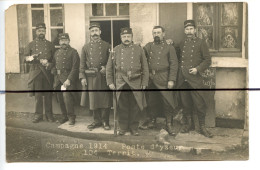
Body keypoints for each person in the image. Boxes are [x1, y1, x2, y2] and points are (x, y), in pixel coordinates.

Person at [106, 27, 149, 136]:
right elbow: (109, 68)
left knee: (135, 106)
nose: (126, 38)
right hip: (121, 82)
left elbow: (145, 67)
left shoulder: (139, 49)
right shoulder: (115, 50)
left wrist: (144, 82)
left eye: (128, 36)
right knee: (122, 106)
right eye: (124, 36)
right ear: (121, 37)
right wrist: (110, 82)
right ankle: (123, 127)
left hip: (135, 82)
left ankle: (134, 128)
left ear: (132, 37)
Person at [177, 20, 213, 138]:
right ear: (184, 31)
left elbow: (207, 60)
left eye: (191, 29)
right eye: (187, 29)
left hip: (195, 78)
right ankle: (189, 124)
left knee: (199, 103)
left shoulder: (201, 42)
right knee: (186, 103)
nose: (189, 31)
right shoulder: (182, 43)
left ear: (195, 30)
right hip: (183, 79)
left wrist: (197, 69)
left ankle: (202, 127)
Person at [144, 26, 179, 136]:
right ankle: (152, 121)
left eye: (159, 32)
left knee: (167, 102)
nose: (156, 35)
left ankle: (168, 124)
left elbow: (174, 64)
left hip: (164, 77)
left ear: (164, 34)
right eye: (154, 33)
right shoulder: (148, 46)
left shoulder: (169, 48)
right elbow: (140, 56)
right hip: (151, 77)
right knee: (152, 101)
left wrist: (171, 79)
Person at [80, 22, 112, 130]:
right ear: (90, 33)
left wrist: (106, 69)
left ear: (100, 32)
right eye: (92, 31)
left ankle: (105, 122)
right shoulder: (85, 47)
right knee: (93, 99)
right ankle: (96, 121)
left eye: (96, 31)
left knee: (104, 99)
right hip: (91, 76)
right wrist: (83, 77)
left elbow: (111, 62)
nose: (94, 33)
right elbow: (82, 64)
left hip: (103, 76)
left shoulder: (107, 45)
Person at [24, 23, 56, 123]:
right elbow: (25, 59)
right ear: (36, 32)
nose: (41, 32)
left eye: (43, 30)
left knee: (48, 95)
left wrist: (48, 64)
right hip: (36, 73)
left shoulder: (50, 44)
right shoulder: (31, 44)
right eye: (39, 31)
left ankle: (49, 115)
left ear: (45, 32)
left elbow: (55, 60)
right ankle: (38, 115)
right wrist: (33, 57)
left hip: (47, 73)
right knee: (38, 96)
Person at [52, 33, 80, 125]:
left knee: (67, 98)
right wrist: (51, 69)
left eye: (65, 40)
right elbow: (54, 65)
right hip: (58, 79)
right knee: (60, 99)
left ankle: (71, 117)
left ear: (68, 41)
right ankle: (64, 116)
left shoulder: (73, 52)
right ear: (59, 42)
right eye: (61, 40)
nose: (63, 42)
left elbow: (75, 68)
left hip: (67, 79)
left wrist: (69, 79)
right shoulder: (56, 53)